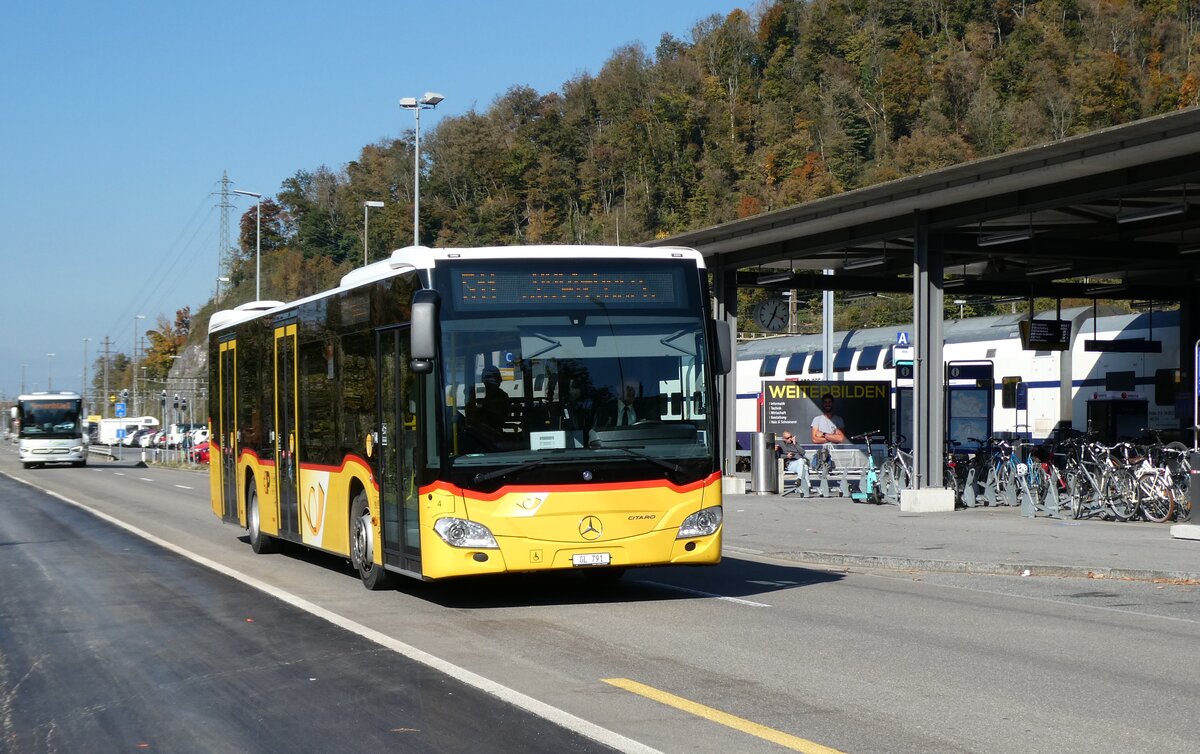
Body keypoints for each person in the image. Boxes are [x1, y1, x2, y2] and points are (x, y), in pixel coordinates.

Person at [465, 365, 510, 433]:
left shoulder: (500, 397)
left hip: (492, 433)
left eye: (488, 381)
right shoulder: (492, 396)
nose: (486, 384)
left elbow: (496, 418)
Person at [810, 393, 846, 469]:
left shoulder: (838, 419)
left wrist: (823, 434)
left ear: (832, 404)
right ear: (823, 404)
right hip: (820, 454)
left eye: (829, 402)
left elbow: (840, 439)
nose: (827, 404)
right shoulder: (817, 419)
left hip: (836, 455)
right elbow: (814, 439)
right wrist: (833, 437)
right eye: (825, 402)